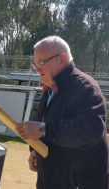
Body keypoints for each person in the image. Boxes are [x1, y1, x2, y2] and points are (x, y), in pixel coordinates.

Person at [16, 35, 109, 189]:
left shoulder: (85, 87)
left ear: (62, 58)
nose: (37, 69)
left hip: (81, 182)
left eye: (41, 62)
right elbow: (43, 122)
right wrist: (35, 151)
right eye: (35, 64)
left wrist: (43, 129)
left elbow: (91, 129)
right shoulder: (51, 88)